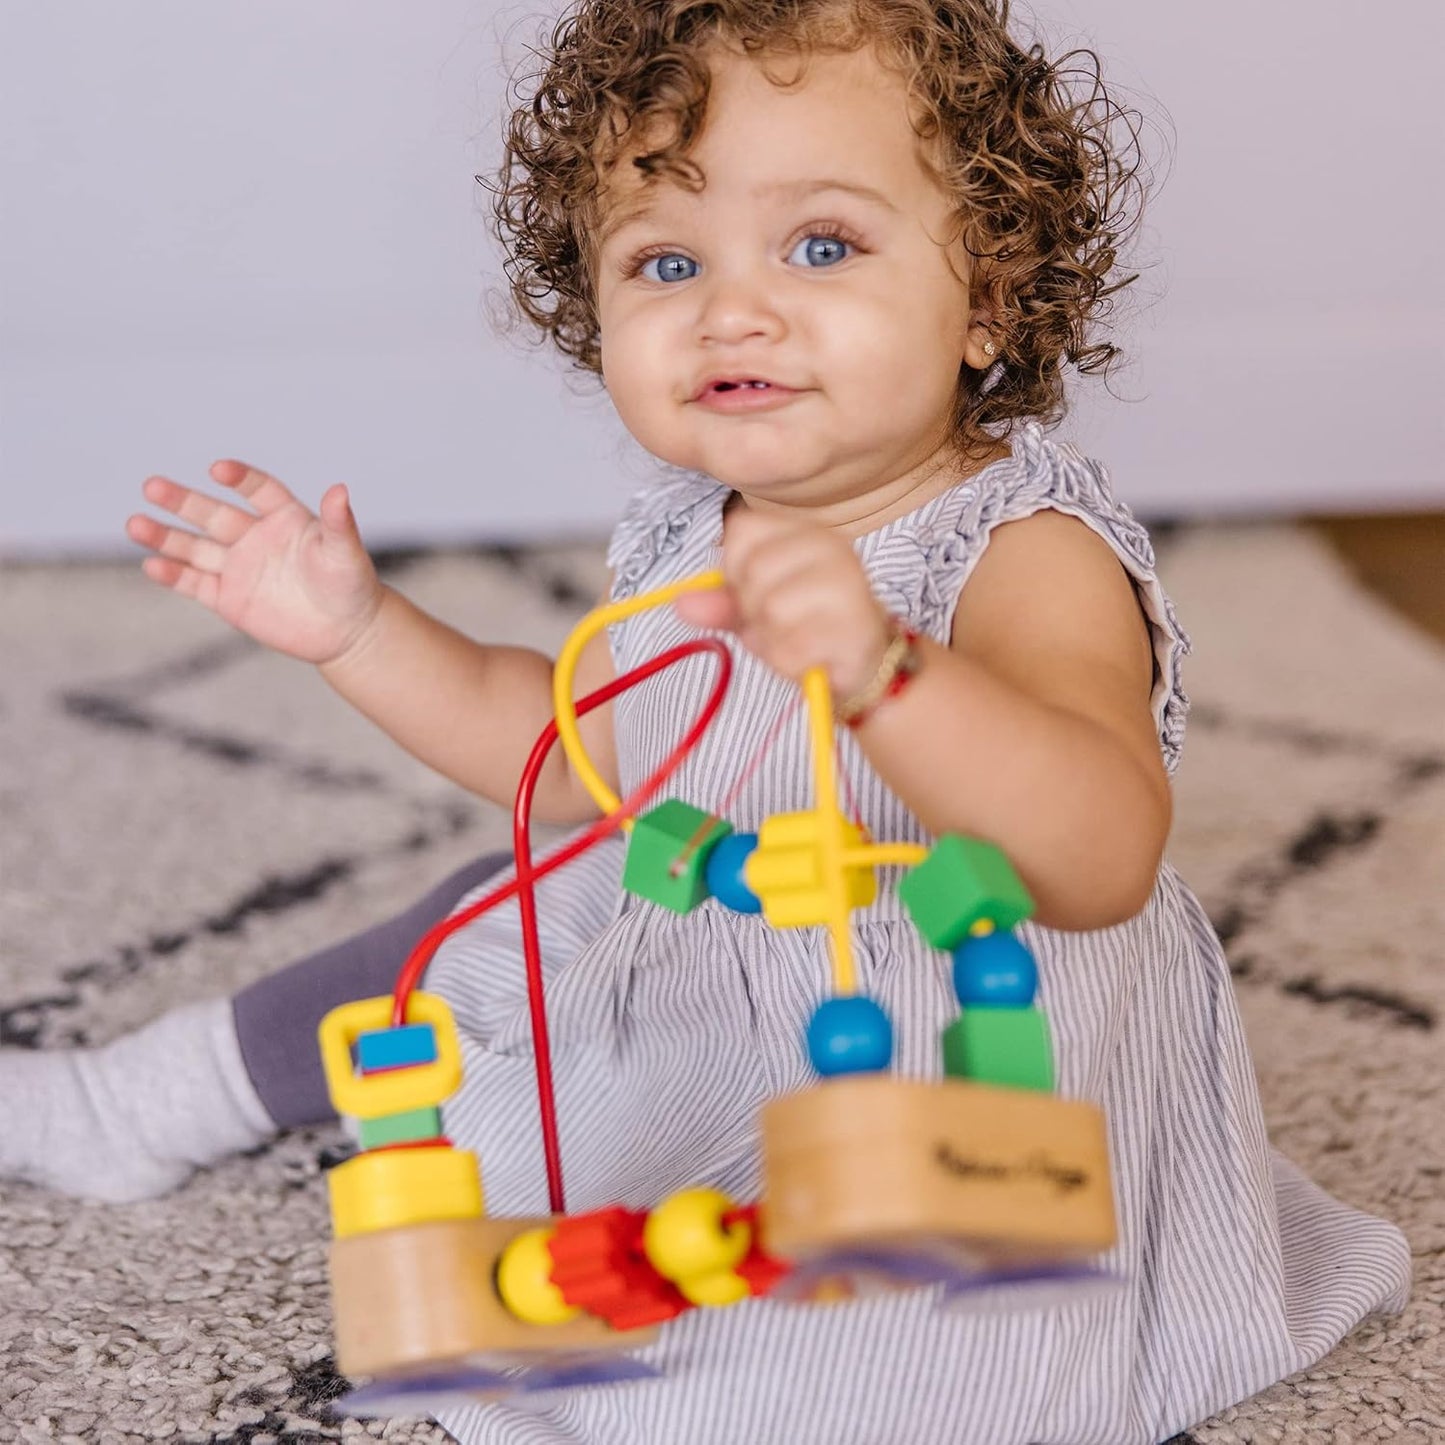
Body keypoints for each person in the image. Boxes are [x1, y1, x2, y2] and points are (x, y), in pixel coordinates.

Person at [1, 1, 1411, 1441]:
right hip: (711, 926)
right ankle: (141, 1102)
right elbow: (570, 757)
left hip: (936, 1023)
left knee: (845, 1362)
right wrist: (359, 633)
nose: (733, 308)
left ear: (986, 291)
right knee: (478, 919)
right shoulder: (690, 531)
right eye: (666, 261)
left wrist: (880, 670)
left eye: (820, 245)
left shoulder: (1019, 544)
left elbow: (1100, 849)